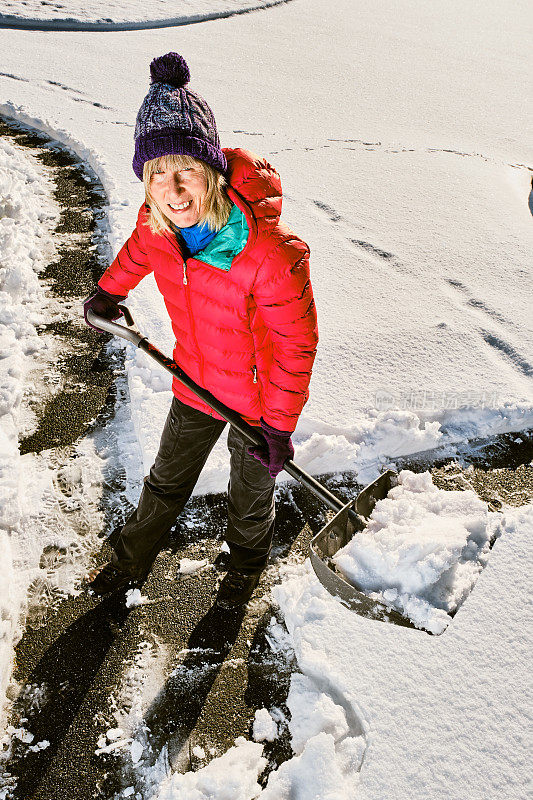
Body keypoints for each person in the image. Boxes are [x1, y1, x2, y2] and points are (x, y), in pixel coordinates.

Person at [83, 52, 318, 609]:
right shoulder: (157, 226)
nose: (173, 186)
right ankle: (131, 558)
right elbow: (139, 252)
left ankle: (243, 569)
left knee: (249, 497)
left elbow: (295, 346)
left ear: (211, 170)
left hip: (258, 405)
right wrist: (110, 292)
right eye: (157, 173)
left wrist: (279, 427)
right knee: (165, 482)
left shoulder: (270, 255)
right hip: (193, 380)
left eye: (186, 168)